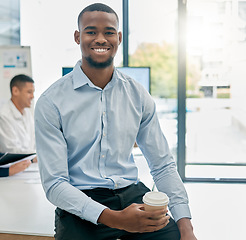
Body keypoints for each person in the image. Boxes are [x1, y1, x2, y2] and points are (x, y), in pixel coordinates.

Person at [34, 3, 197, 240]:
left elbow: (162, 166)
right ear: (78, 37)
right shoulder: (51, 102)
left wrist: (186, 227)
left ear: (118, 38)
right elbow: (55, 184)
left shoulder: (137, 95)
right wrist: (116, 219)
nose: (100, 38)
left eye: (108, 32)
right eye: (91, 32)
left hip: (132, 194)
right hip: (82, 201)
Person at [0, 74, 36, 155]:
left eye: (33, 92)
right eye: (29, 92)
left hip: (27, 163)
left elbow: (33, 143)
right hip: (8, 166)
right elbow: (12, 150)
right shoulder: (2, 116)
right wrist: (35, 155)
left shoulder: (27, 113)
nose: (32, 96)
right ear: (15, 91)